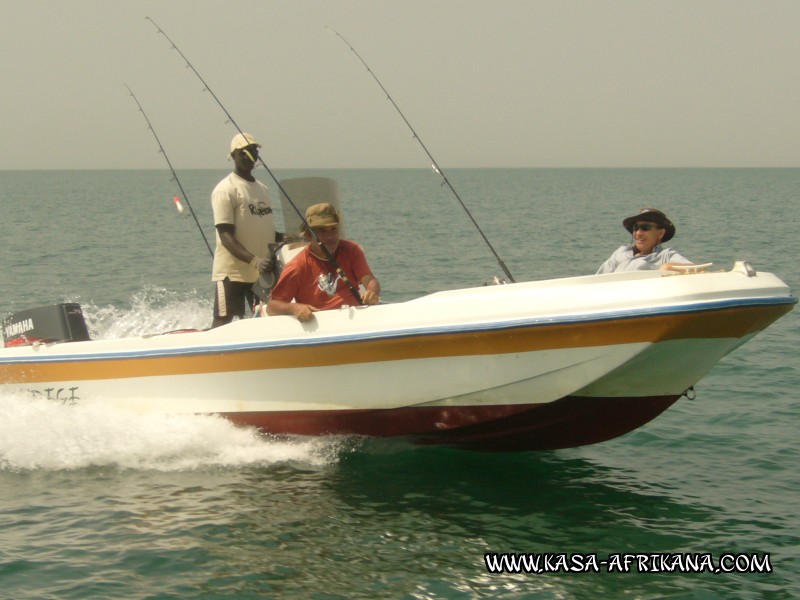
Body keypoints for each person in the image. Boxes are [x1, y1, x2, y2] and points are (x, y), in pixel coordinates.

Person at [266, 203, 380, 322]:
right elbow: (272, 307)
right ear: (309, 234)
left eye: (333, 229)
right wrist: (294, 308)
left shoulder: (352, 250)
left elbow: (370, 280)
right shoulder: (297, 266)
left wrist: (372, 293)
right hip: (319, 324)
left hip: (356, 319)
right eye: (322, 231)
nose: (330, 236)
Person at [210, 132, 277, 328]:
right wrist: (254, 261)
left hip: (261, 274)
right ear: (233, 156)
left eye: (253, 151)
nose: (249, 156)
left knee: (265, 320)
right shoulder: (226, 189)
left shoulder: (262, 188)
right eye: (243, 153)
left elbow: (266, 229)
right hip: (233, 273)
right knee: (224, 321)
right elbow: (225, 235)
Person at [596, 208, 693, 274]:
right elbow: (597, 280)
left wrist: (670, 267)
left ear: (661, 233)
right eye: (636, 228)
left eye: (645, 227)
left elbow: (700, 271)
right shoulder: (620, 252)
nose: (638, 233)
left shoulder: (666, 256)